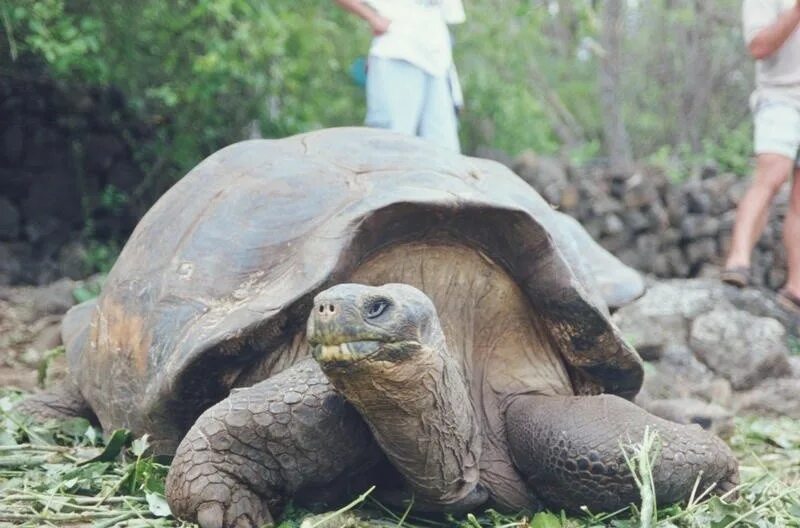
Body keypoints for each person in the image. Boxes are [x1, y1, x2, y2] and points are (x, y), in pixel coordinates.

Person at [722, 0, 800, 313]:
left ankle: (796, 288)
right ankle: (738, 260)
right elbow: (759, 46)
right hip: (780, 97)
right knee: (772, 174)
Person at [335, 0, 465, 152]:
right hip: (397, 52)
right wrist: (373, 18)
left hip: (437, 62)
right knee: (392, 145)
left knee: (444, 151)